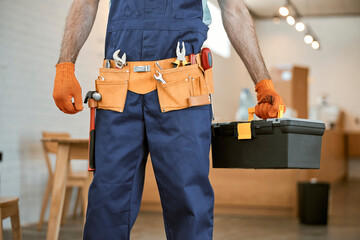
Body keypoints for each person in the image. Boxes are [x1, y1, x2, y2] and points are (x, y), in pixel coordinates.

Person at [52, 0, 286, 239]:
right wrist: (65, 64)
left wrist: (262, 82)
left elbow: (233, 8)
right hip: (118, 91)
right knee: (106, 205)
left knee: (189, 207)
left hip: (183, 92)